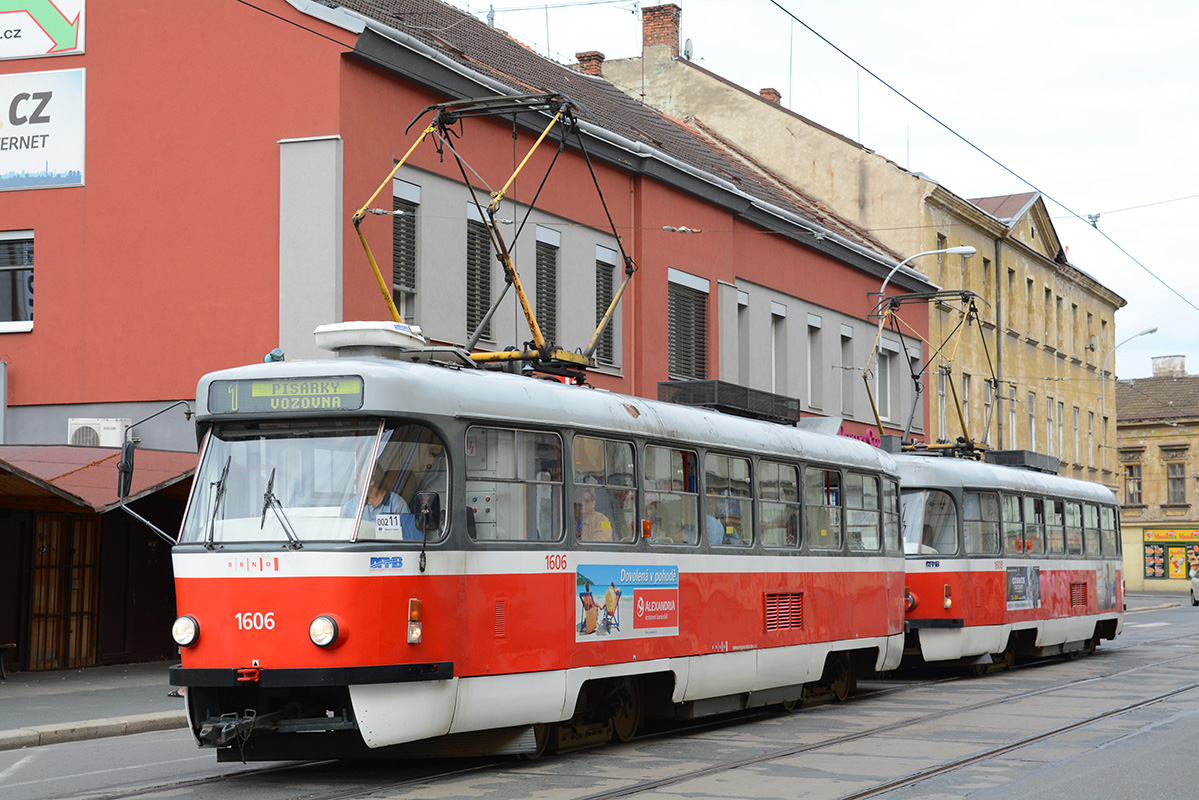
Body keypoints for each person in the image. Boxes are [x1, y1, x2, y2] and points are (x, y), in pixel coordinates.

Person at [345, 467, 417, 538]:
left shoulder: (397, 504)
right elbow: (340, 524)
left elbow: (407, 535)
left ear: (371, 481)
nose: (355, 482)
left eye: (358, 477)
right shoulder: (355, 502)